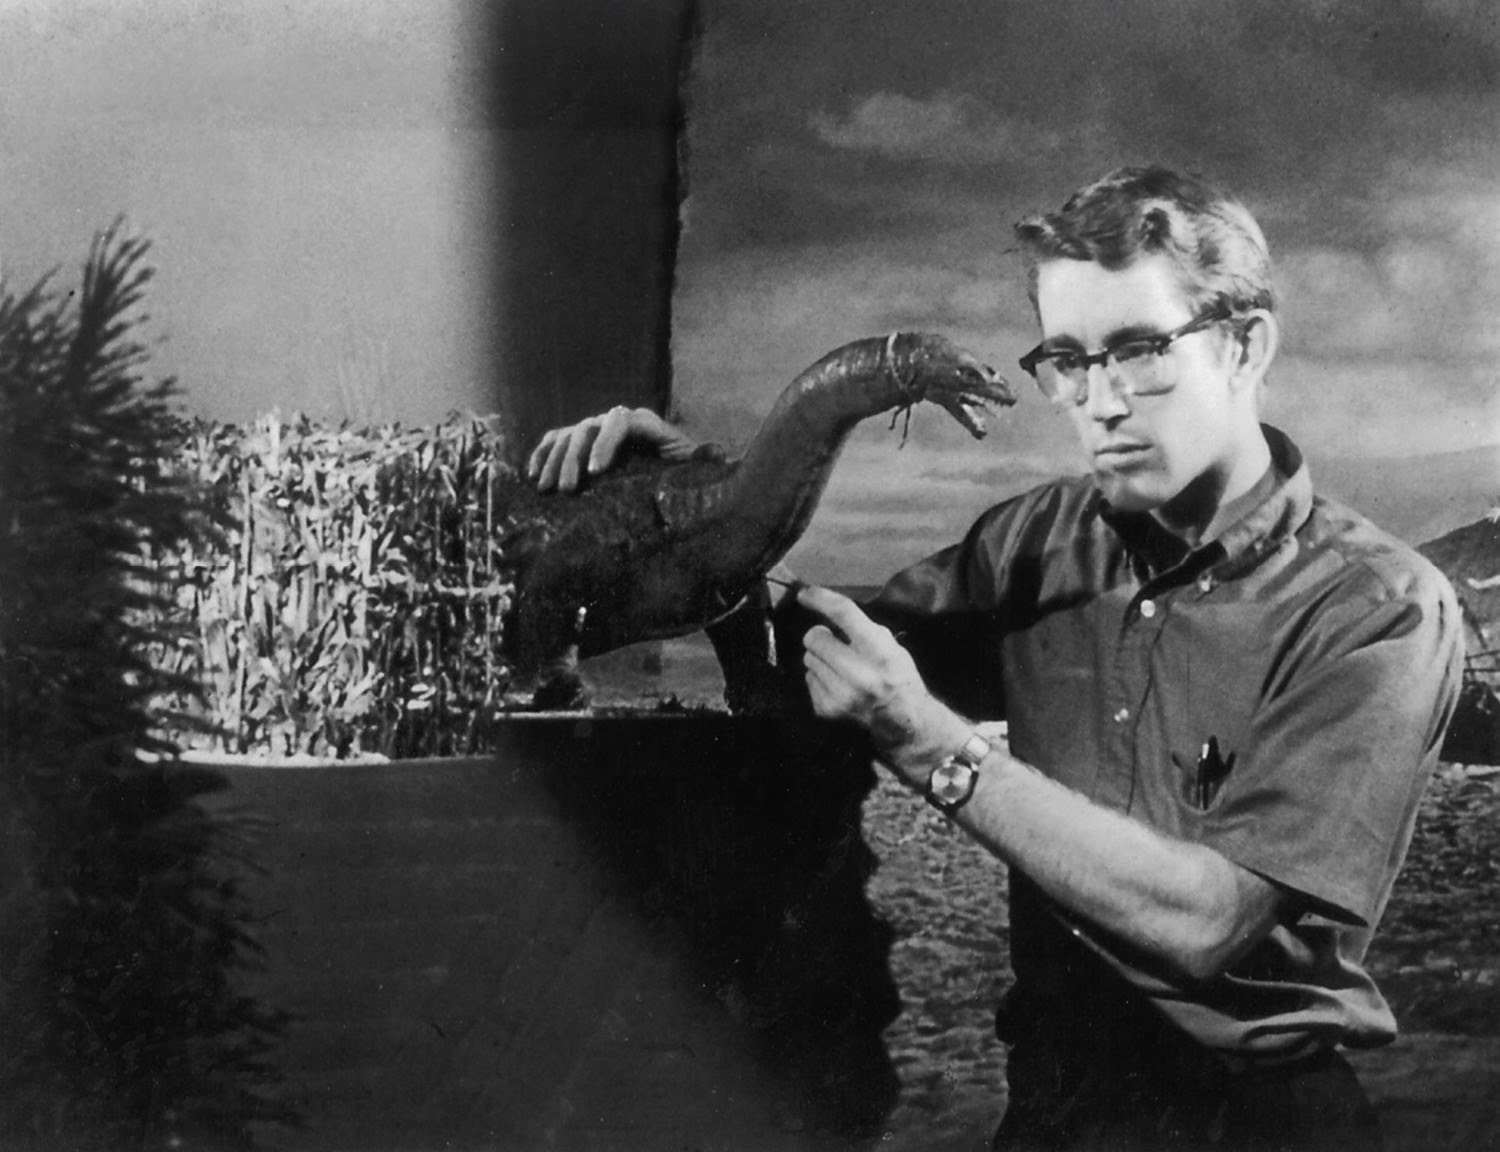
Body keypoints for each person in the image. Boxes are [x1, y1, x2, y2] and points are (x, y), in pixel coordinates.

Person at [528, 166, 1464, 1150]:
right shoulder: (1033, 541)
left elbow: (1206, 921)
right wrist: (710, 518)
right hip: (1053, 1111)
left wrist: (937, 748)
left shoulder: (1380, 612)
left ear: (1244, 345)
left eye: (1139, 352)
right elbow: (817, 662)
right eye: (1067, 359)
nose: (1098, 401)